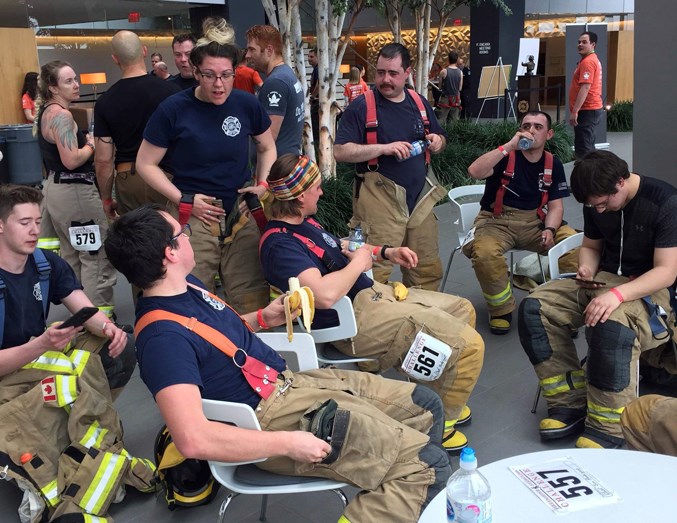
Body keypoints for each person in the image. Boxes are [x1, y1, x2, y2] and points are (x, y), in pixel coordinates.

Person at [104, 203, 452, 523]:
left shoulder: (186, 287)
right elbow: (193, 438)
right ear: (171, 252)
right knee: (428, 468)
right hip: (273, 420)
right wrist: (288, 442)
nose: (189, 235)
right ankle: (401, 484)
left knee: (426, 406)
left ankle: (399, 491)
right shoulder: (162, 341)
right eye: (182, 233)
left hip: (292, 386)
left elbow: (211, 340)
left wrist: (261, 318)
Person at [260, 154, 485, 452]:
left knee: (463, 310)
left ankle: (439, 395)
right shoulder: (280, 245)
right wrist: (359, 264)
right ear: (300, 197)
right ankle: (437, 425)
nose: (322, 192)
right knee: (469, 346)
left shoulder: (304, 222)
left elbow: (337, 247)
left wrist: (384, 252)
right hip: (355, 322)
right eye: (317, 187)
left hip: (376, 296)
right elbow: (323, 296)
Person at [0, 185, 154, 522]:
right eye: (23, 222)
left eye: (37, 221)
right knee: (61, 393)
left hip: (38, 358)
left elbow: (84, 308)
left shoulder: (44, 264)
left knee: (121, 347)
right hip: (11, 370)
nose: (34, 230)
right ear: (0, 225)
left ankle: (81, 440)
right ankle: (94, 457)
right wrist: (41, 344)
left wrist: (108, 328)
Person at [518, 150, 677, 449]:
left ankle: (610, 426)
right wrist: (587, 266)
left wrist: (617, 295)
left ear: (621, 182)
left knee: (611, 323)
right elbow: (591, 245)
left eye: (602, 203)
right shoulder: (596, 200)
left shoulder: (664, 202)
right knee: (535, 307)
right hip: (603, 279)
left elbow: (666, 272)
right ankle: (569, 400)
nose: (598, 211)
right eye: (592, 206)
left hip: (649, 289)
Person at [136, 17, 274, 313]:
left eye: (226, 75)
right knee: (194, 297)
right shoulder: (174, 109)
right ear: (195, 71)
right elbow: (145, 164)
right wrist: (184, 199)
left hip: (240, 212)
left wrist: (262, 185)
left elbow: (267, 146)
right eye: (210, 75)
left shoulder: (246, 104)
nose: (219, 84)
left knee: (252, 297)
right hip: (195, 217)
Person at [334, 43, 447, 291]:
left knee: (425, 269)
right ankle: (372, 324)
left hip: (420, 200)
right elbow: (340, 152)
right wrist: (383, 148)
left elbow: (440, 138)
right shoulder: (362, 106)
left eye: (393, 73)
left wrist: (438, 143)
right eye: (381, 72)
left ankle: (422, 322)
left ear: (408, 72)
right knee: (371, 271)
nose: (385, 80)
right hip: (378, 201)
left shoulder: (419, 102)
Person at [463, 111, 579, 334]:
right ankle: (501, 309)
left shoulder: (552, 163)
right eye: (526, 126)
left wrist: (550, 229)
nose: (531, 131)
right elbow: (474, 171)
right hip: (495, 221)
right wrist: (509, 145)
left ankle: (564, 309)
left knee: (574, 247)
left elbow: (556, 207)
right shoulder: (505, 155)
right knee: (485, 254)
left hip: (534, 221)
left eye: (537, 127)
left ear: (549, 134)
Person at [35, 60, 117, 318]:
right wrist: (91, 145)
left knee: (73, 254)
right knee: (95, 256)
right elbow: (71, 159)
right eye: (68, 81)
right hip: (76, 192)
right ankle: (98, 321)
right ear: (53, 87)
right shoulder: (61, 116)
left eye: (75, 79)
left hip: (57, 191)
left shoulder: (46, 112)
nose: (76, 84)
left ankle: (81, 316)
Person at [94, 30, 180, 221]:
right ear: (144, 51)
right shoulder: (171, 91)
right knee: (170, 233)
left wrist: (106, 199)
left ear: (115, 59)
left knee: (136, 238)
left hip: (128, 177)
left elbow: (103, 161)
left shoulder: (105, 101)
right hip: (165, 175)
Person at [246, 25, 304, 155]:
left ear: (269, 50)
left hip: (276, 169)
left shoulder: (276, 82)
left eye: (252, 49)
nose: (247, 55)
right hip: (285, 163)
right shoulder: (286, 73)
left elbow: (268, 140)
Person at [569, 31, 603, 160]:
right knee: (587, 145)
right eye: (579, 42)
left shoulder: (588, 62)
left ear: (593, 44)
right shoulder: (590, 60)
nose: (580, 44)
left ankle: (587, 177)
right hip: (591, 109)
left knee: (584, 149)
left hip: (587, 110)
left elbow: (586, 86)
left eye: (584, 42)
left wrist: (575, 111)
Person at [438, 50, 463, 124]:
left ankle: (441, 135)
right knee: (454, 120)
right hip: (456, 98)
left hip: (445, 98)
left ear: (448, 59)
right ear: (457, 60)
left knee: (442, 119)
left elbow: (439, 86)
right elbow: (460, 88)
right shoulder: (460, 73)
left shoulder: (443, 72)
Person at [308, 47, 320, 143]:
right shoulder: (315, 69)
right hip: (315, 100)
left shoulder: (318, 69)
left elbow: (319, 84)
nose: (309, 59)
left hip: (317, 101)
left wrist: (312, 97)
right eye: (308, 56)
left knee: (315, 126)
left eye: (312, 56)